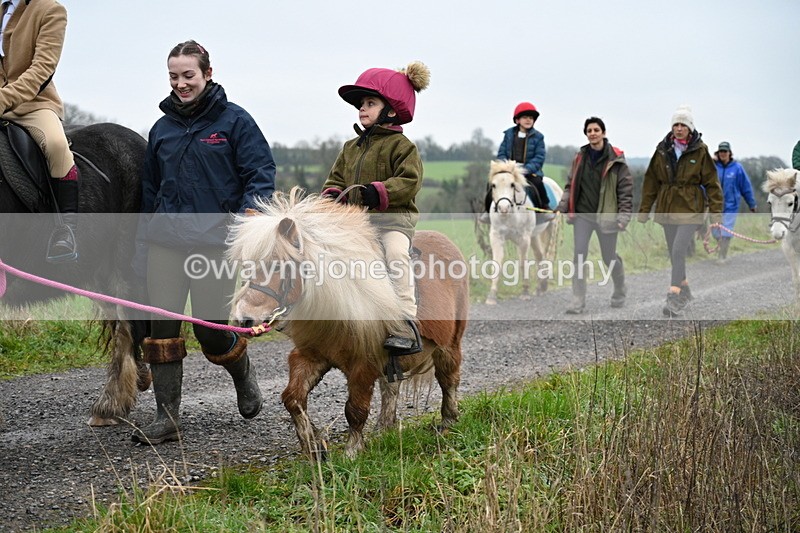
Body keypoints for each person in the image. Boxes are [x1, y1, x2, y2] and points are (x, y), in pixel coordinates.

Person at [131, 40, 276, 445]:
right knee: (161, 328)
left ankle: (242, 374)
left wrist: (249, 214)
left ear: (207, 74)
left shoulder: (235, 122)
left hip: (215, 242)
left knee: (210, 330)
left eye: (188, 75)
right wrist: (142, 244)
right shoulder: (161, 130)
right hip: (166, 241)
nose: (181, 83)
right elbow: (149, 191)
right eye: (174, 77)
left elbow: (261, 173)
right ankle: (166, 418)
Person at [321, 61, 430, 358]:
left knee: (395, 255)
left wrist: (377, 192)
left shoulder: (403, 146)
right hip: (356, 224)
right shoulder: (350, 147)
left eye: (370, 103)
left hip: (393, 222)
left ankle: (405, 323)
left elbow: (409, 181)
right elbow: (335, 180)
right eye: (361, 104)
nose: (362, 109)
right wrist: (333, 197)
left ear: (391, 110)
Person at [0, 0, 79, 262]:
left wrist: (2, 99)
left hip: (32, 103)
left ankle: (64, 229)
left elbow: (41, 69)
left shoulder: (51, 10)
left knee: (57, 145)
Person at [638, 105, 723, 317]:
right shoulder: (662, 149)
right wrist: (644, 210)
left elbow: (712, 184)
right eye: (675, 124)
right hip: (667, 207)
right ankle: (685, 288)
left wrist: (715, 215)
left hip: (691, 208)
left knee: (678, 250)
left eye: (682, 125)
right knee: (673, 252)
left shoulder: (700, 150)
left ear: (690, 128)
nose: (678, 128)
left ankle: (674, 295)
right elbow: (651, 181)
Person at [557, 117, 633, 314]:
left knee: (609, 257)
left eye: (596, 130)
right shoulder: (579, 158)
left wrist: (624, 217)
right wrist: (563, 205)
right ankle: (577, 299)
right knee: (579, 255)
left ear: (603, 133)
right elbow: (570, 185)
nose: (592, 133)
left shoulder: (616, 160)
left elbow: (625, 191)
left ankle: (620, 287)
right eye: (589, 130)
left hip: (607, 217)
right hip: (583, 215)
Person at [480, 102, 549, 223]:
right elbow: (502, 153)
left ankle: (543, 209)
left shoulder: (539, 137)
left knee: (538, 183)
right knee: (491, 184)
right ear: (517, 120)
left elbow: (539, 157)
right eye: (525, 117)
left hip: (529, 172)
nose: (528, 120)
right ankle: (487, 211)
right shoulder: (508, 135)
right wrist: (504, 167)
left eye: (531, 118)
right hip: (509, 171)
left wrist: (526, 170)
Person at [712, 141, 756, 263]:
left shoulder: (737, 168)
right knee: (716, 231)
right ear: (718, 152)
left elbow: (745, 187)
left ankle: (722, 256)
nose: (723, 154)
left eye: (725, 151)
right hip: (714, 205)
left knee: (726, 231)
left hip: (731, 205)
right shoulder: (713, 167)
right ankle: (721, 249)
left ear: (730, 153)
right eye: (721, 151)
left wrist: (751, 204)